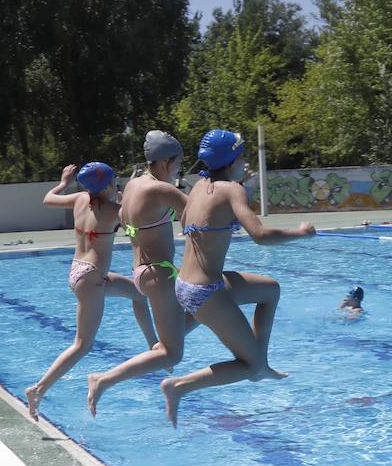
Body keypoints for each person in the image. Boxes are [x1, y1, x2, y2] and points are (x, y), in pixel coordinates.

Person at [157, 129, 316, 426]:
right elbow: (260, 236)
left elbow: (190, 222)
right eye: (242, 156)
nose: (244, 162)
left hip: (188, 284)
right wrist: (301, 232)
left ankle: (262, 360)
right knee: (249, 367)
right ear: (232, 159)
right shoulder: (232, 189)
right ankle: (178, 387)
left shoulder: (199, 186)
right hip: (205, 290)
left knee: (270, 290)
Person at [24, 163, 160, 420]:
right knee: (82, 344)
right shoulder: (113, 212)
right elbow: (139, 221)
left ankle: (153, 344)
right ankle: (38, 389)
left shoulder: (79, 199)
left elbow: (48, 199)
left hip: (80, 271)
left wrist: (64, 182)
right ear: (109, 185)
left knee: (140, 294)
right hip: (91, 279)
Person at [86, 130, 192, 415]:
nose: (178, 171)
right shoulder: (161, 189)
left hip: (142, 272)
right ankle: (104, 380)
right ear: (166, 161)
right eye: (179, 164)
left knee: (204, 309)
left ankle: (160, 345)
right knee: (173, 353)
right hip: (160, 274)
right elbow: (200, 218)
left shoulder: (133, 184)